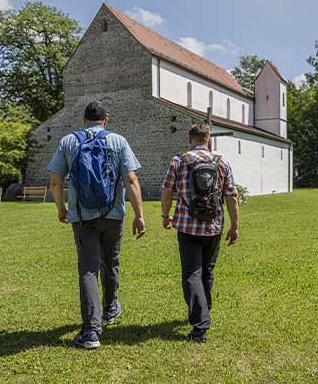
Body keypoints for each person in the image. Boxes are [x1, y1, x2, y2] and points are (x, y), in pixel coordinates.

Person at [48, 101, 146, 350]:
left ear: (83, 121)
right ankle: (110, 309)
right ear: (105, 121)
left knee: (88, 269)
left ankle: (91, 332)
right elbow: (131, 179)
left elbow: (56, 181)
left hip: (82, 218)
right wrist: (139, 215)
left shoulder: (69, 142)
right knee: (111, 262)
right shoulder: (118, 141)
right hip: (113, 215)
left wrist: (62, 208)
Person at [160, 123, 239, 343]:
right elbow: (231, 196)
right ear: (209, 139)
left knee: (191, 273)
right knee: (207, 271)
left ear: (190, 139)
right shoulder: (221, 162)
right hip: (213, 227)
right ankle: (204, 308)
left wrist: (165, 216)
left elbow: (167, 192)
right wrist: (235, 226)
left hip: (187, 226)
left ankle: (200, 323)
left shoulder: (179, 162)